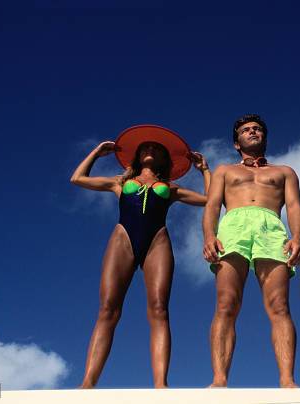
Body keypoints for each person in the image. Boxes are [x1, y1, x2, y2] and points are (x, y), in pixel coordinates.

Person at [71, 126, 211, 388]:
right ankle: (88, 383)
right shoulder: (119, 182)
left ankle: (160, 384)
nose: (150, 149)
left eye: (156, 148)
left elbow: (212, 199)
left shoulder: (171, 188)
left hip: (157, 242)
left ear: (164, 159)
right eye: (145, 147)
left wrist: (204, 170)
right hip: (122, 239)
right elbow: (77, 178)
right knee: (108, 309)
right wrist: (97, 153)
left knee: (159, 309)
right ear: (136, 156)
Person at [202, 114, 300, 388]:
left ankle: (287, 380)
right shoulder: (224, 170)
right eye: (247, 130)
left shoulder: (284, 172)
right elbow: (212, 205)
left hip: (271, 227)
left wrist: (297, 237)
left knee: (280, 306)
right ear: (237, 142)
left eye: (257, 129)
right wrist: (209, 235)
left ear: (265, 137)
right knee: (226, 305)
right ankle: (219, 380)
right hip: (233, 226)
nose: (253, 132)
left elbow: (293, 206)